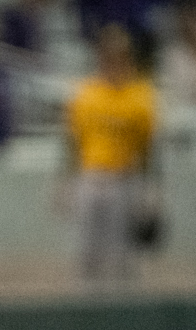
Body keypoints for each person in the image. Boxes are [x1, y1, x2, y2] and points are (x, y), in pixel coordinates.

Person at [64, 25, 159, 281]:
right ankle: (88, 309)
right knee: (87, 251)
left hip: (125, 179)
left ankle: (125, 311)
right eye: (107, 56)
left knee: (124, 254)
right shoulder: (86, 93)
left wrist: (152, 189)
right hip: (92, 176)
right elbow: (73, 141)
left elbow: (148, 146)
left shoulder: (140, 95)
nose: (112, 62)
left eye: (119, 56)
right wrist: (66, 182)